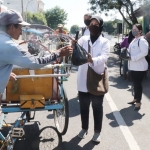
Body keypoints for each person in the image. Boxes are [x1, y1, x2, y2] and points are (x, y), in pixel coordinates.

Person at [0, 9, 73, 100]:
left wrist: (4, 73)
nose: (21, 32)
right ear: (12, 27)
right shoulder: (9, 45)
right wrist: (58, 53)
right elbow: (35, 62)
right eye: (20, 28)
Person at [73, 16, 110, 142]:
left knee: (97, 107)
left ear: (100, 26)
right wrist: (73, 45)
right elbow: (76, 52)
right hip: (83, 78)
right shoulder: (83, 39)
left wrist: (92, 60)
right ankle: (84, 128)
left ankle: (97, 132)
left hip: (96, 78)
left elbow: (104, 57)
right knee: (84, 106)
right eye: (91, 23)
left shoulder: (105, 42)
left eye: (96, 23)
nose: (93, 25)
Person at [127, 24, 148, 111]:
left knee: (138, 85)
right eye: (133, 29)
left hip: (140, 67)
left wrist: (134, 58)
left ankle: (138, 102)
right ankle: (135, 98)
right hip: (133, 66)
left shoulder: (142, 41)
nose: (133, 30)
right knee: (135, 85)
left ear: (140, 31)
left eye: (135, 29)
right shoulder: (134, 40)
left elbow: (144, 52)